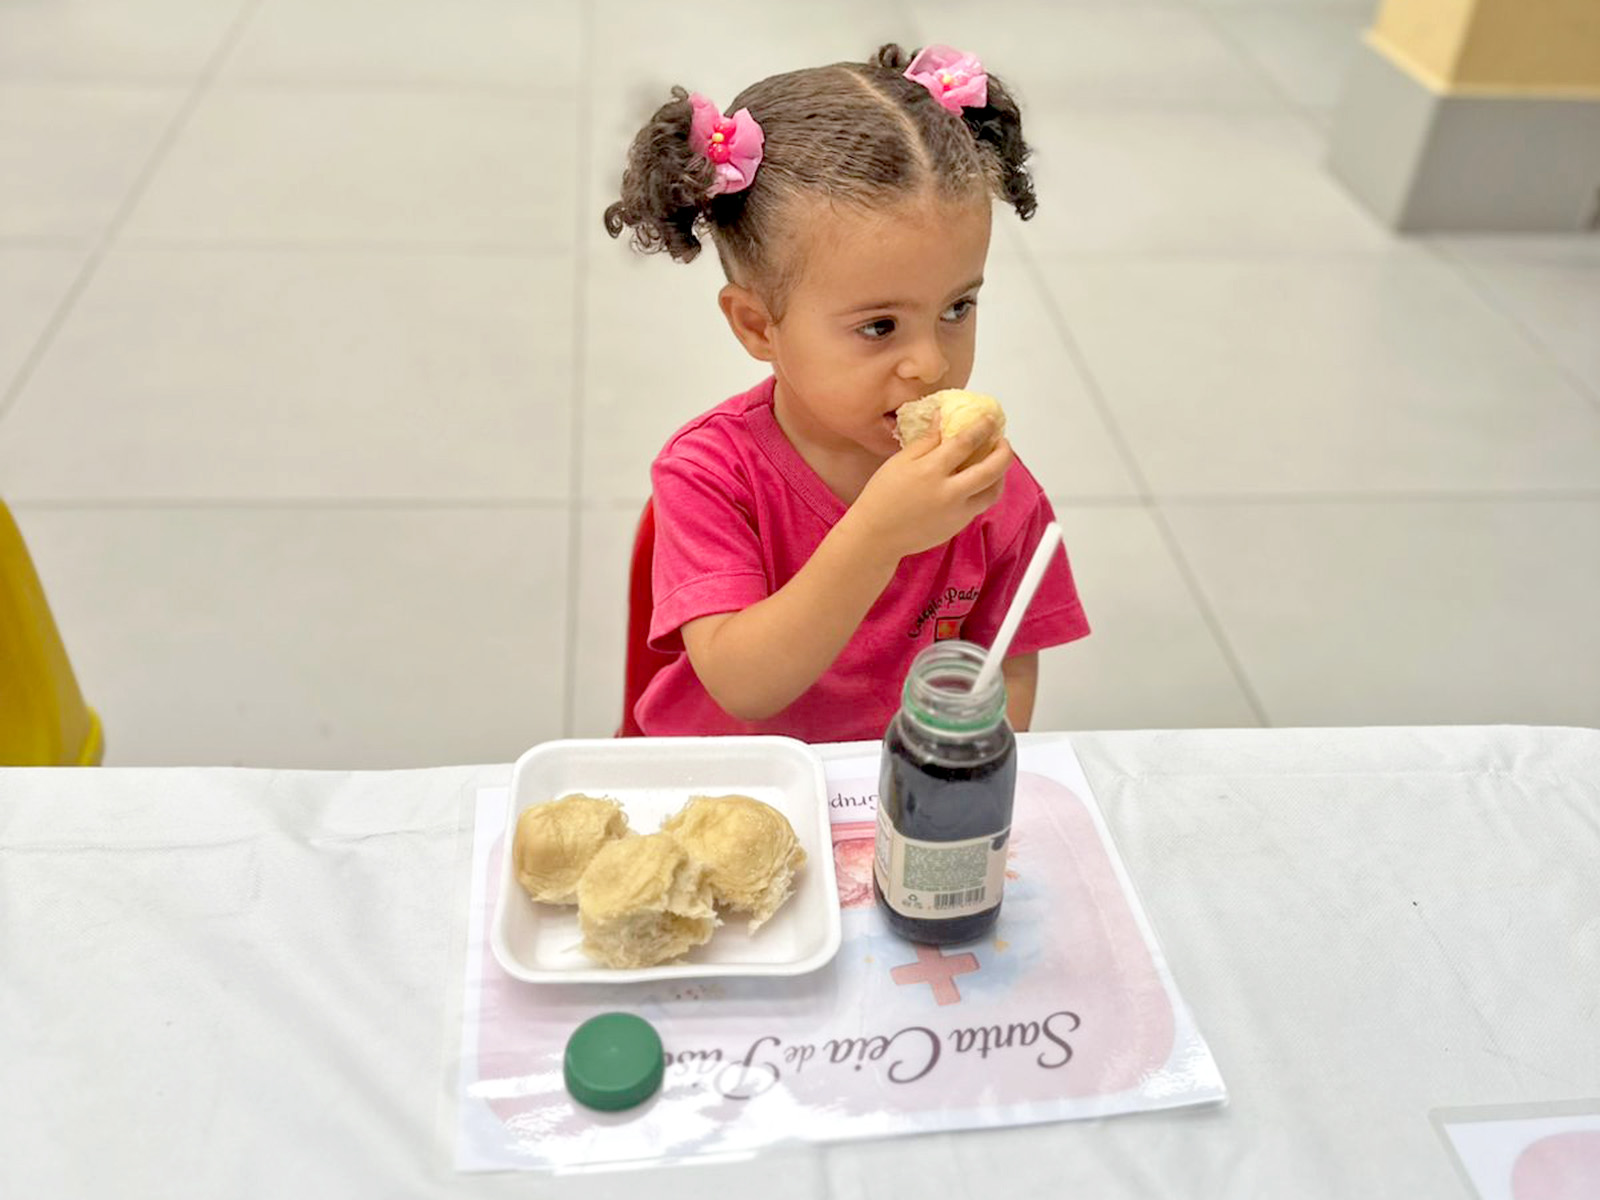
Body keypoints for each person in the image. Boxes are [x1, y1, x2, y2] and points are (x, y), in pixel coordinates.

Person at [604, 43, 1089, 742]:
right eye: (879, 326)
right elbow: (745, 687)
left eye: (957, 308)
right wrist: (877, 535)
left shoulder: (984, 487)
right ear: (758, 325)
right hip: (729, 784)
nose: (929, 364)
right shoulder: (710, 474)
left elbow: (1005, 666)